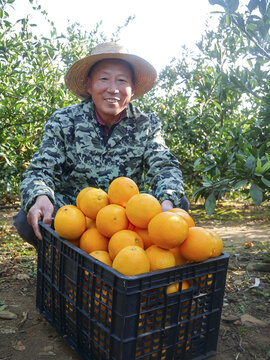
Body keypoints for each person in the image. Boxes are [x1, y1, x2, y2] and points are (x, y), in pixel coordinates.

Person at [14, 42, 188, 248]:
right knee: (27, 218)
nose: (113, 89)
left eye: (122, 80)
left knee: (178, 204)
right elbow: (40, 170)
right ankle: (64, 260)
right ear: (89, 85)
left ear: (132, 89)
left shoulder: (146, 124)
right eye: (104, 79)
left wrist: (167, 201)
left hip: (125, 216)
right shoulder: (63, 121)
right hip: (75, 210)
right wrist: (40, 195)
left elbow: (164, 167)